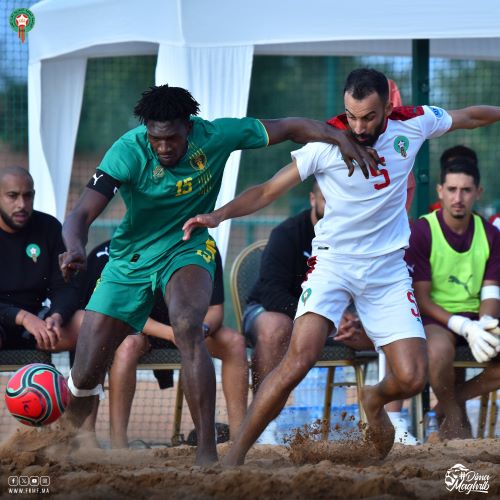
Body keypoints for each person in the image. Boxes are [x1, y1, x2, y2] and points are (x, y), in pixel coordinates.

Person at [182, 68, 500, 465]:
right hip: (334, 263)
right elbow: (266, 190)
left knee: (412, 377)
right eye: (351, 115)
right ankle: (233, 458)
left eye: (368, 117)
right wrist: (218, 215)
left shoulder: (414, 123)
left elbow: (470, 116)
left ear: (387, 107)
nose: (358, 126)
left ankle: (373, 399)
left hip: (386, 272)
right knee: (299, 359)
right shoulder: (325, 144)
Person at [58, 84, 378, 465]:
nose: (163, 147)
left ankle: (207, 454)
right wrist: (75, 246)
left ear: (189, 128)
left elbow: (291, 126)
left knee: (188, 325)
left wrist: (340, 137)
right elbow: (80, 214)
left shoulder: (218, 135)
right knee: (87, 362)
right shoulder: (128, 150)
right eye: (155, 139)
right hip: (131, 256)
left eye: (172, 138)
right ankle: (66, 446)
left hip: (187, 244)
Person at [83, 240, 248, 448]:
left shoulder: (204, 245)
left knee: (235, 343)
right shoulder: (134, 243)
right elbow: (127, 311)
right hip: (142, 328)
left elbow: (216, 310)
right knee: (126, 348)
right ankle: (119, 444)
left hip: (192, 328)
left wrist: (201, 329)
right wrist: (172, 333)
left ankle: (240, 439)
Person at [405, 146, 500, 439]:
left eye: (466, 190)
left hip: (476, 315)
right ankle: (454, 413)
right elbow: (422, 298)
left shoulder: (492, 235)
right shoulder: (422, 230)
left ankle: (451, 403)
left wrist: (484, 324)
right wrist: (463, 326)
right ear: (440, 191)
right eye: (452, 189)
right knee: (439, 351)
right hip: (437, 319)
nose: (459, 198)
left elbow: (491, 292)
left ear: (478, 192)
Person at [244, 180, 370, 393]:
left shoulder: (357, 239)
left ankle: (389, 417)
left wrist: (354, 322)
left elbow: (365, 290)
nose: (334, 207)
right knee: (275, 328)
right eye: (327, 199)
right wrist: (324, 317)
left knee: (382, 330)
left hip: (333, 319)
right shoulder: (286, 234)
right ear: (313, 199)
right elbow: (271, 295)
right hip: (274, 311)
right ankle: (264, 422)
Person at [0, 166, 81, 352]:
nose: (21, 204)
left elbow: (65, 286)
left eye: (28, 196)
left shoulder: (49, 227)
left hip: (41, 325)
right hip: (8, 321)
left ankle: (79, 382)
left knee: (89, 325)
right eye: (12, 196)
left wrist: (57, 316)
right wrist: (23, 318)